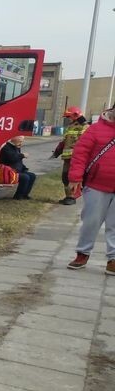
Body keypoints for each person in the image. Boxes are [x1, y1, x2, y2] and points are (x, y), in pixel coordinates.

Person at [66, 106, 115, 274]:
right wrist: (75, 177)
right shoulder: (96, 129)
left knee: (114, 225)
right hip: (97, 185)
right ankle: (83, 253)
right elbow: (80, 154)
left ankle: (113, 259)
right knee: (91, 221)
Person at [51, 107, 88, 204]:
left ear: (75, 115)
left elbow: (85, 143)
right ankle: (68, 196)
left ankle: (72, 197)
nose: (68, 119)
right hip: (67, 158)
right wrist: (57, 152)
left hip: (77, 158)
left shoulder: (85, 127)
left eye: (69, 116)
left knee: (73, 177)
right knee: (65, 177)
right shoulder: (71, 126)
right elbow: (64, 141)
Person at [0, 135, 35, 200]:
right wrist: (22, 155)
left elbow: (18, 161)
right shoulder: (6, 147)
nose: (21, 143)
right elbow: (12, 158)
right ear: (14, 139)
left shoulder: (17, 147)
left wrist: (24, 168)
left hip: (17, 170)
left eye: (22, 141)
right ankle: (18, 196)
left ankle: (25, 195)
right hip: (8, 172)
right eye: (20, 141)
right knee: (25, 177)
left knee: (32, 176)